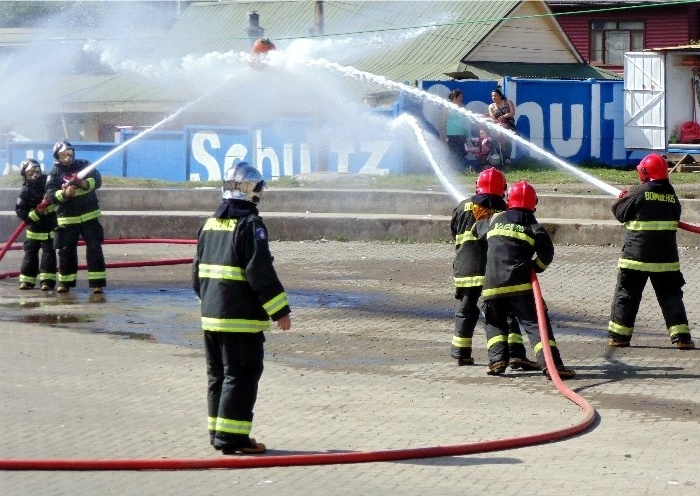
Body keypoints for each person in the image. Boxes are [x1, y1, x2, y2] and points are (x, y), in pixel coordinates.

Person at [193, 161, 292, 455]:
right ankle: (232, 438)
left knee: (218, 376)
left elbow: (197, 271)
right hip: (239, 319)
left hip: (211, 317)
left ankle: (218, 433)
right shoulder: (250, 225)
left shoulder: (210, 223)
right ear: (252, 191)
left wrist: (208, 301)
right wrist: (280, 310)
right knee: (242, 374)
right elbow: (259, 271)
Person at [475, 180, 575, 379]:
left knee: (495, 324)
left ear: (509, 200)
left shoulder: (495, 219)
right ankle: (551, 365)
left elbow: (478, 232)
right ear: (534, 203)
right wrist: (535, 267)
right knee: (536, 325)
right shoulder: (534, 227)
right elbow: (547, 253)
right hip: (520, 286)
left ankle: (497, 361)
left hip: (492, 287)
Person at [450, 168, 539, 371]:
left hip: (465, 269)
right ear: (504, 189)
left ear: (477, 186)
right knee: (506, 313)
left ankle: (461, 354)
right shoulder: (503, 212)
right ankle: (516, 355)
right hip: (494, 272)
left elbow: (454, 231)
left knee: (466, 310)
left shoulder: (462, 206)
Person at [607, 153, 695, 350]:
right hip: (666, 260)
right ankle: (682, 338)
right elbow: (676, 214)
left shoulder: (639, 192)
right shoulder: (671, 195)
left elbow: (619, 213)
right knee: (671, 297)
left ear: (645, 173)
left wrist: (623, 197)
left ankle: (619, 337)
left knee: (627, 296)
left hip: (635, 259)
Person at [44, 140, 106, 294]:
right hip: (67, 219)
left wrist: (85, 184)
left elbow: (97, 180)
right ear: (57, 157)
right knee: (66, 251)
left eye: (70, 153)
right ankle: (65, 283)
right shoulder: (54, 173)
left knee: (94, 248)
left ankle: (97, 283)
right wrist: (64, 194)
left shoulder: (84, 165)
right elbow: (51, 193)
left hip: (89, 216)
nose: (68, 157)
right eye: (63, 155)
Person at [14, 158, 57, 291]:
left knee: (48, 256)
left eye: (36, 170)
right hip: (33, 229)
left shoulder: (48, 184)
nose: (35, 174)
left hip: (49, 226)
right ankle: (26, 281)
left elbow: (57, 197)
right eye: (30, 173)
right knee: (30, 256)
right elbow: (20, 209)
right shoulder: (26, 190)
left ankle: (47, 282)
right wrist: (34, 215)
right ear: (25, 175)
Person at [440, 89, 470, 171]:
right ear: (454, 97)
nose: (461, 98)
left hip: (462, 134)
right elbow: (443, 121)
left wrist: (468, 134)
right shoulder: (447, 107)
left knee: (463, 152)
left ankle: (460, 170)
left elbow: (467, 121)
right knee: (453, 152)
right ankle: (449, 169)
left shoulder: (463, 107)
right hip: (451, 134)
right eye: (460, 97)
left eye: (462, 97)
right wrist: (443, 135)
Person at [488, 88, 517, 162]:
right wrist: (498, 123)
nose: (493, 97)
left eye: (495, 96)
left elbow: (512, 112)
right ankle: (499, 158)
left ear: (500, 96)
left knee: (507, 141)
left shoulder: (508, 102)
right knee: (499, 141)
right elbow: (493, 117)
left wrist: (504, 116)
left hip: (509, 124)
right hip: (498, 126)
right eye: (492, 96)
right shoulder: (491, 106)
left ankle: (507, 158)